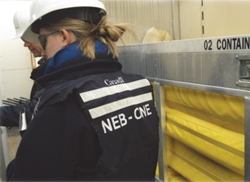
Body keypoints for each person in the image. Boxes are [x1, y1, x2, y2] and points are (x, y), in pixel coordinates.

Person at [7, 0, 159, 181]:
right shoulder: (140, 85)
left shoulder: (62, 103)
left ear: (63, 36)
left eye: (42, 39)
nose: (44, 50)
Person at [0, 7, 48, 132]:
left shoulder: (55, 70)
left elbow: (33, 112)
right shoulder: (47, 67)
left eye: (27, 38)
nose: (25, 44)